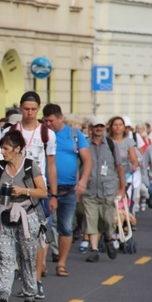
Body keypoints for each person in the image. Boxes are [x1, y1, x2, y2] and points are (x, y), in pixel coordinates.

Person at [1, 91, 57, 299]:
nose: (30, 113)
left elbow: (51, 164)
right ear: (20, 109)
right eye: (26, 109)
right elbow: (0, 158)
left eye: (34, 109)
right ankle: (14, 279)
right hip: (13, 190)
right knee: (11, 234)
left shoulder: (46, 134)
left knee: (37, 235)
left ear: (38, 109)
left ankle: (37, 279)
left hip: (36, 189)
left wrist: (53, 194)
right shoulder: (10, 130)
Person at [0, 130, 47, 302]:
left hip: (27, 218)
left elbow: (43, 192)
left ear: (17, 149)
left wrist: (23, 191)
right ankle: (2, 297)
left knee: (27, 258)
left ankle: (30, 296)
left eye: (5, 148)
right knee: (6, 258)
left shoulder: (30, 166)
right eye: (1, 149)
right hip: (5, 218)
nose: (3, 152)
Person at [42, 104, 93, 276]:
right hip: (46, 189)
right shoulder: (43, 134)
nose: (48, 124)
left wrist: (83, 181)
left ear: (61, 118)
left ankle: (61, 264)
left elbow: (87, 159)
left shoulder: (74, 135)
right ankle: (41, 263)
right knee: (45, 227)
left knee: (66, 227)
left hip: (69, 190)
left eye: (51, 120)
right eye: (46, 120)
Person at [82, 117, 126, 262]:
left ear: (105, 128)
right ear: (91, 128)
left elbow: (119, 166)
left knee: (107, 220)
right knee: (91, 220)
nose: (99, 129)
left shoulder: (111, 144)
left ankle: (108, 238)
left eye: (101, 126)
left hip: (107, 189)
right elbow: (78, 166)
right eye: (96, 126)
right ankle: (94, 250)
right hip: (89, 190)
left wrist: (122, 187)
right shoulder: (84, 144)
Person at [108, 116, 141, 219]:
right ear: (111, 127)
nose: (118, 127)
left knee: (124, 200)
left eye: (120, 125)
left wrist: (134, 165)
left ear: (124, 127)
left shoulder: (128, 142)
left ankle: (126, 220)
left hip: (125, 175)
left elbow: (134, 158)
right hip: (110, 175)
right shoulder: (107, 141)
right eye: (115, 125)